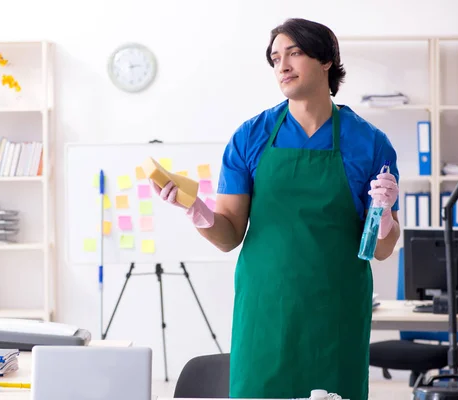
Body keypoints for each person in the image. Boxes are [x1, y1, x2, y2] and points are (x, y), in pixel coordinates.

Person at [150, 18, 400, 400]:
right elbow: (229, 234)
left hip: (336, 310)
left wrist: (384, 217)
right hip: (265, 311)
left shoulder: (369, 143)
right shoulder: (250, 136)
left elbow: (381, 250)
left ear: (327, 60)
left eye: (294, 53)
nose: (282, 66)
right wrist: (198, 210)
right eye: (275, 57)